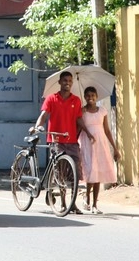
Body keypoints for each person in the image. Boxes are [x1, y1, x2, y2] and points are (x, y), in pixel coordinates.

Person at [33, 71, 94, 214]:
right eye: (65, 80)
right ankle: (63, 203)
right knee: (60, 171)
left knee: (76, 172)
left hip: (71, 140)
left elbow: (79, 119)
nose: (68, 83)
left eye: (70, 81)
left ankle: (72, 204)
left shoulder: (76, 100)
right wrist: (37, 127)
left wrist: (88, 132)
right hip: (56, 141)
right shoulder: (51, 98)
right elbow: (43, 115)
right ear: (60, 82)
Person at [79, 86, 120, 214]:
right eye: (88, 96)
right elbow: (78, 126)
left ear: (97, 97)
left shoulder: (102, 111)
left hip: (100, 144)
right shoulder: (82, 111)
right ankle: (87, 196)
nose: (91, 98)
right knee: (91, 171)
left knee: (97, 174)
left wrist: (115, 148)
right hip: (87, 143)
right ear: (85, 97)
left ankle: (95, 204)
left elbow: (107, 130)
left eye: (93, 96)